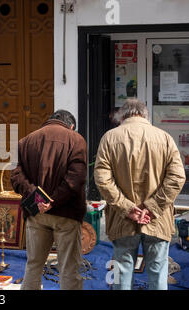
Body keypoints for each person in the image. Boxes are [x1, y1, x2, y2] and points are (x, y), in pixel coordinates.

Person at [94, 99, 185, 290]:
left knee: (121, 272)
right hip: (157, 220)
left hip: (122, 220)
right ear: (145, 115)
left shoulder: (110, 138)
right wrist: (152, 208)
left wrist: (127, 208)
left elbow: (102, 179)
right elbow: (177, 177)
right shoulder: (164, 138)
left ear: (122, 115)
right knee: (158, 272)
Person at [10, 110, 87, 290]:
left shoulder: (25, 141)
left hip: (36, 213)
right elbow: (76, 178)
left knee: (33, 265)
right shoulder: (76, 140)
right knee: (68, 268)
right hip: (66, 213)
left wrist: (38, 199)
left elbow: (15, 176)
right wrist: (53, 201)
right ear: (71, 126)